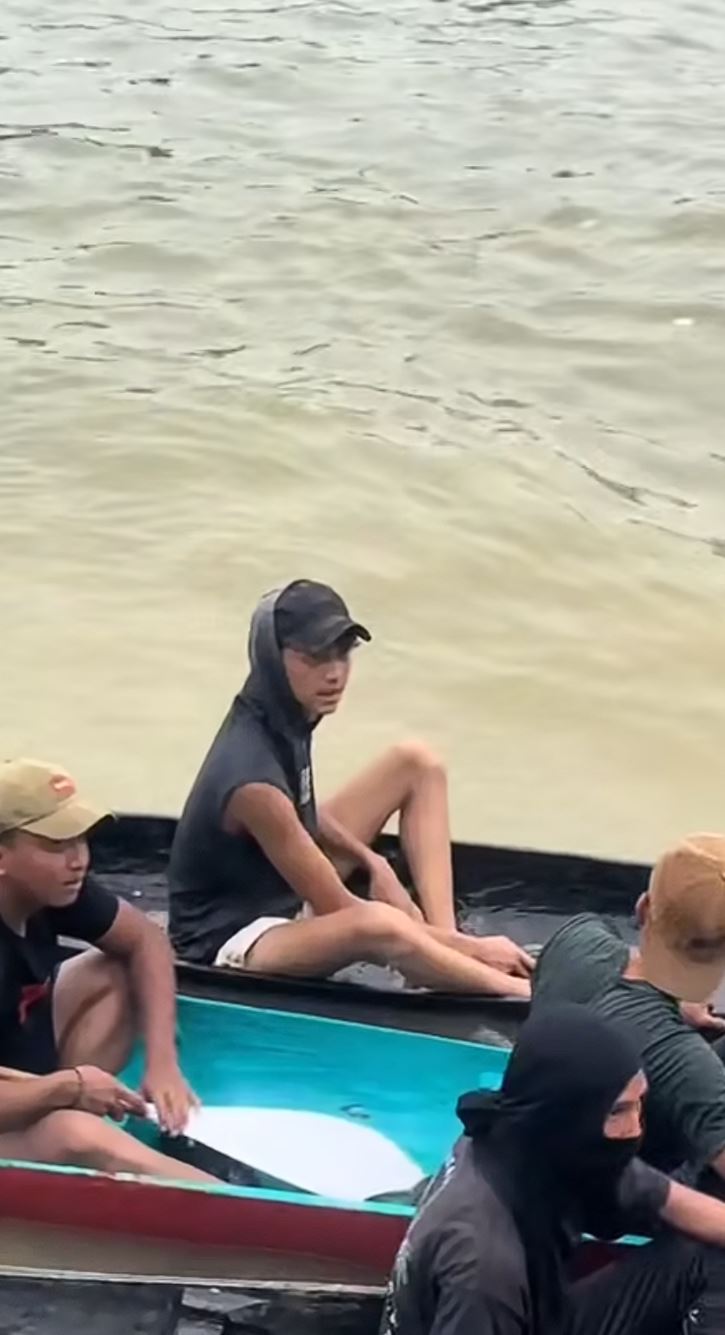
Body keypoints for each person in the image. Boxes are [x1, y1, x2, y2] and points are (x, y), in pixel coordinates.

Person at [169, 579, 532, 997]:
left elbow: (304, 812)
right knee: (380, 924)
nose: (334, 674)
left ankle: (441, 946)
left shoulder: (286, 713)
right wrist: (475, 948)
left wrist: (372, 861)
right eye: (314, 657)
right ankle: (513, 990)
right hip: (232, 938)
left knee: (417, 763)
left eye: (342, 654)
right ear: (271, 658)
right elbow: (338, 907)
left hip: (279, 891)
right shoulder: (252, 781)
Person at [379, 1002, 725, 1335]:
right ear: (568, 1116)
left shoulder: (523, 1138)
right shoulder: (487, 1270)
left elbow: (666, 1198)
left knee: (698, 1255)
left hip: (540, 1316)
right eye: (618, 1111)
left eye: (639, 1104)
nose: (635, 1127)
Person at [0, 757, 213, 1185]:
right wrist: (69, 1087)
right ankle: (247, 1205)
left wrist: (162, 1062)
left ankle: (69, 1120)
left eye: (80, 840)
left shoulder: (52, 888)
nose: (78, 860)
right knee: (73, 1134)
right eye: (56, 845)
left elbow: (146, 941)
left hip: (22, 1070)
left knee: (118, 968)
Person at [532, 835, 725, 1182]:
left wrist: (669, 994)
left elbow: (621, 995)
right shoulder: (685, 1064)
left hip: (539, 1154)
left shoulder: (576, 939)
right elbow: (661, 1046)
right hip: (617, 1195)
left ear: (643, 908)